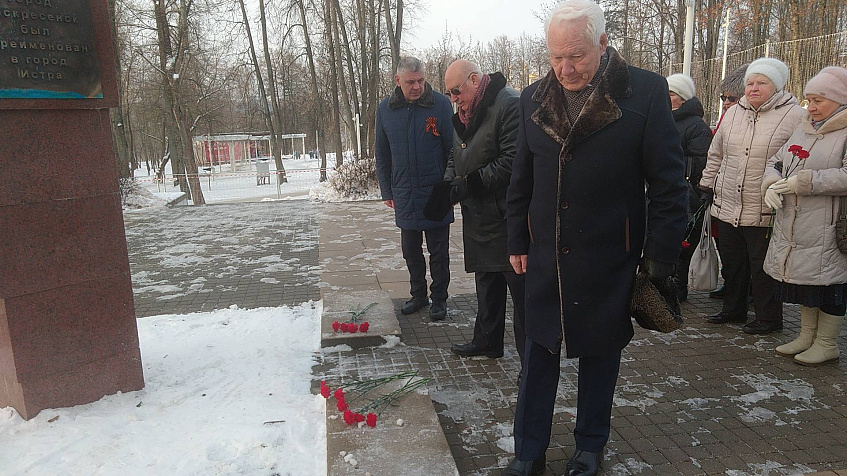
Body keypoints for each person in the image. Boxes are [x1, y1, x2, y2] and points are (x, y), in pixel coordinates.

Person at [502, 1, 688, 474]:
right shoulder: (532, 97)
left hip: (610, 255)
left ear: (603, 45)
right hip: (546, 257)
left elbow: (669, 184)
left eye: (577, 56)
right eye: (556, 56)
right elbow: (521, 179)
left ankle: (589, 448)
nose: (565, 68)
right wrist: (516, 241)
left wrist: (660, 258)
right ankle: (528, 452)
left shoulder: (643, 92)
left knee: (600, 355)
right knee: (537, 355)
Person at [430, 60, 527, 362]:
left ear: (474, 79)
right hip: (480, 214)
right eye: (449, 93)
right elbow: (454, 152)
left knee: (521, 292)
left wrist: (469, 184)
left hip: (506, 214)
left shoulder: (508, 104)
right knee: (486, 283)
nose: (453, 99)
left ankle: (532, 359)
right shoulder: (464, 111)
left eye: (456, 91)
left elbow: (513, 161)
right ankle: (487, 341)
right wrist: (448, 186)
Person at [699, 57, 804, 334]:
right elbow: (716, 153)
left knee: (762, 266)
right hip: (728, 202)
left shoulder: (794, 115)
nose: (753, 88)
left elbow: (798, 158)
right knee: (733, 261)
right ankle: (733, 310)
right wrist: (707, 184)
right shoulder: (733, 113)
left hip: (765, 205)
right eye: (750, 83)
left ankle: (769, 317)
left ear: (777, 86)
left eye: (762, 83)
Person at [762, 66, 847, 365]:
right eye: (809, 99)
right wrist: (771, 182)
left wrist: (804, 182)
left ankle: (827, 343)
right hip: (799, 223)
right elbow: (776, 159)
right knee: (808, 282)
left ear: (839, 100)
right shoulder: (805, 125)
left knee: (832, 286)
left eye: (818, 100)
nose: (810, 106)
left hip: (831, 225)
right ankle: (806, 336)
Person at [375, 56, 455, 321]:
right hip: (404, 193)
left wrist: (449, 186)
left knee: (439, 252)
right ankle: (418, 295)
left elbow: (452, 151)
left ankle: (439, 300)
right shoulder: (385, 110)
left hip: (435, 194)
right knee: (411, 250)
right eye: (411, 82)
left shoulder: (441, 106)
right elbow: (382, 154)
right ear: (398, 81)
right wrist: (387, 190)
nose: (417, 87)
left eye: (421, 80)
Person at [666, 73, 713, 301]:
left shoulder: (696, 126)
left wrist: (666, 160)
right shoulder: (662, 118)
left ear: (682, 98)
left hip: (686, 192)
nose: (667, 98)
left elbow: (701, 161)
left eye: (672, 94)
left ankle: (679, 287)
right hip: (662, 189)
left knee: (683, 241)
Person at [709, 64, 748, 299]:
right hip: (721, 191)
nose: (726, 102)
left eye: (731, 98)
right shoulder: (726, 119)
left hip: (745, 195)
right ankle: (732, 285)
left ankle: (746, 290)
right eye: (724, 97)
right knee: (723, 243)